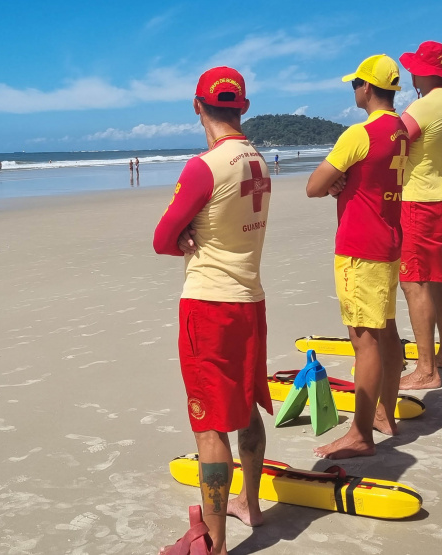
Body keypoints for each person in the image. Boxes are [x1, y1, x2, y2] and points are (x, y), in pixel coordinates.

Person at [154, 66, 271, 555]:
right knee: (246, 405)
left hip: (209, 305)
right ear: (243, 107)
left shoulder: (204, 167)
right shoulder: (258, 159)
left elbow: (162, 240)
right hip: (250, 299)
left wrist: (184, 234)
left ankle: (217, 544)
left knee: (209, 427)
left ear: (197, 106)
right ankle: (251, 504)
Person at [305, 54, 408, 459]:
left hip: (360, 247)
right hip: (389, 238)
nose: (354, 91)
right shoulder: (401, 130)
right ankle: (385, 413)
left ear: (366, 87)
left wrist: (334, 184)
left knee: (364, 340)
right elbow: (371, 175)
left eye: (355, 85)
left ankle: (360, 433)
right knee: (386, 330)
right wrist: (344, 183)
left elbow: (314, 186)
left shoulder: (359, 134)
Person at [396, 41, 442, 390]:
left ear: (419, 71)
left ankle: (426, 370)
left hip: (419, 199)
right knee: (435, 277)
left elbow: (390, 143)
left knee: (414, 281)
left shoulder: (423, 106)